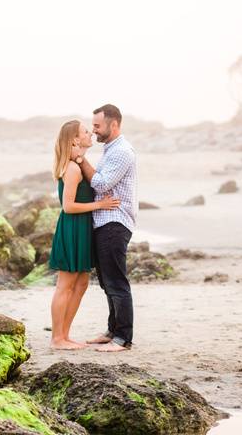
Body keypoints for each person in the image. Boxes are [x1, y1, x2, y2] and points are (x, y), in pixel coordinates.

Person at [48, 120, 120, 350]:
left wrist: (80, 157)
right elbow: (68, 206)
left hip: (82, 228)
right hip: (72, 228)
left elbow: (97, 179)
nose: (91, 133)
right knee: (65, 285)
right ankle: (57, 338)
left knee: (81, 284)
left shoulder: (77, 164)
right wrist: (101, 205)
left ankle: (65, 335)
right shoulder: (71, 169)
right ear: (75, 140)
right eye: (86, 131)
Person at [74, 104, 138, 352]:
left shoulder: (122, 151)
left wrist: (80, 159)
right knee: (107, 283)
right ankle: (113, 330)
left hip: (115, 222)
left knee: (117, 283)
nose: (94, 130)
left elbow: (100, 184)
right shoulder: (111, 150)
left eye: (98, 126)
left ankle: (123, 338)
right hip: (105, 221)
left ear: (114, 125)